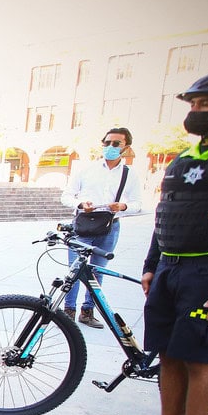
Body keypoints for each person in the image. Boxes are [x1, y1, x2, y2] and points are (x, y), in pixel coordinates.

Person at [116, 71, 208, 415]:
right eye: (193, 105)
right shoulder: (187, 159)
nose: (195, 112)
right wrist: (152, 266)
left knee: (199, 357)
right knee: (170, 353)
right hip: (172, 269)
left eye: (205, 105)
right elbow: (166, 216)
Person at [59, 127, 142, 326]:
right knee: (75, 269)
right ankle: (68, 311)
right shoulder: (86, 169)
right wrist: (80, 204)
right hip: (83, 224)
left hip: (109, 226)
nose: (110, 147)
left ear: (126, 147)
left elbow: (138, 203)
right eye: (107, 143)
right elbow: (66, 196)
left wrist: (123, 206)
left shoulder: (129, 174)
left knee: (98, 271)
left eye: (116, 144)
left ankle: (87, 311)